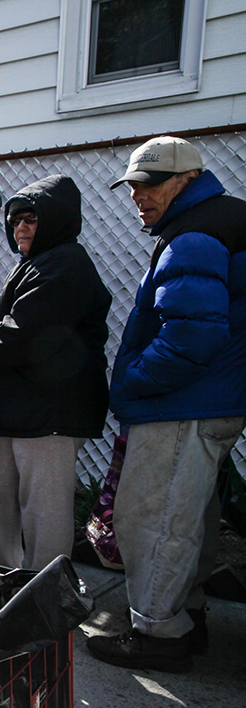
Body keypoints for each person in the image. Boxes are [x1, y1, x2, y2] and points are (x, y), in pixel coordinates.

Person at [87, 136, 246, 673]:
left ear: (185, 180)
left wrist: (132, 379)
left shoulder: (195, 234)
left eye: (150, 184)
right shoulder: (218, 221)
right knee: (189, 514)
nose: (138, 196)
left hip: (182, 403)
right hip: (211, 399)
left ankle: (156, 632)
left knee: (151, 519)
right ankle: (185, 615)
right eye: (133, 186)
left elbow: (192, 337)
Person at [0, 175, 112, 570]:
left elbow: (26, 333)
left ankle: (45, 600)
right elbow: (4, 320)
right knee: (2, 506)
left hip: (50, 416)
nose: (20, 228)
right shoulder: (36, 264)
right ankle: (3, 585)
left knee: (43, 514)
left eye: (31, 218)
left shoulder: (66, 264)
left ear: (55, 220)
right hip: (20, 412)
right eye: (14, 221)